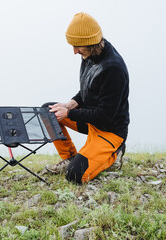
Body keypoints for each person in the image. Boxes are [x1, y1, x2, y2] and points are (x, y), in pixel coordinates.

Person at [43, 12, 129, 184]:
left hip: (109, 131)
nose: (75, 51)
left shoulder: (113, 69)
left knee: (75, 175)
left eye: (78, 46)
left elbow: (105, 116)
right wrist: (71, 104)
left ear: (91, 42)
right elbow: (88, 89)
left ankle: (115, 153)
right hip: (91, 120)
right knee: (48, 111)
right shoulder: (90, 53)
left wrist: (69, 113)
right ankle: (70, 157)